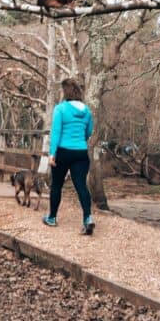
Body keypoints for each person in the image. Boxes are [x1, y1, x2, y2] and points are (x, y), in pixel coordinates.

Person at [43, 78, 95, 234]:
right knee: (81, 186)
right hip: (81, 152)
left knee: (57, 185)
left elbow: (56, 133)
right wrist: (79, 142)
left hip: (63, 152)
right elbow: (88, 132)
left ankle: (51, 218)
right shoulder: (87, 111)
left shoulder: (61, 109)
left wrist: (52, 155)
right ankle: (88, 218)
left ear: (65, 91)